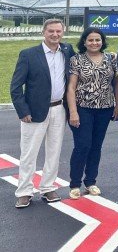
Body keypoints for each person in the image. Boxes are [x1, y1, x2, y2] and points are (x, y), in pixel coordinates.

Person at [10, 19, 75, 208]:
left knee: (54, 151)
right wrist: (23, 110)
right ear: (43, 32)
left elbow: (85, 59)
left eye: (58, 31)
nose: (55, 35)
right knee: (29, 153)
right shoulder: (29, 55)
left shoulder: (67, 50)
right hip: (34, 112)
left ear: (63, 32)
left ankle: (47, 188)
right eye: (51, 31)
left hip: (59, 109)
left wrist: (109, 55)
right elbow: (15, 86)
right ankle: (24, 191)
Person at [65, 28, 118, 200]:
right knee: (83, 146)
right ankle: (75, 184)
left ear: (102, 41)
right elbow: (71, 87)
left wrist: (117, 105)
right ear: (84, 42)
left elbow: (117, 83)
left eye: (98, 40)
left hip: (104, 109)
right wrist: (73, 112)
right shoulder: (77, 60)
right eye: (90, 40)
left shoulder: (111, 59)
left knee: (96, 146)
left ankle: (90, 182)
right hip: (83, 109)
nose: (94, 43)